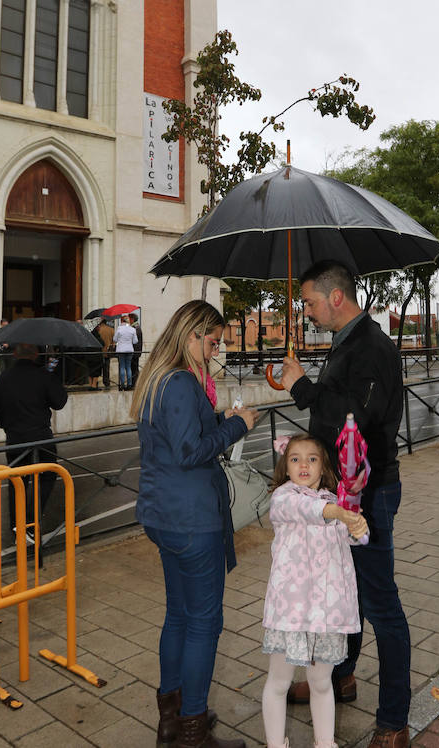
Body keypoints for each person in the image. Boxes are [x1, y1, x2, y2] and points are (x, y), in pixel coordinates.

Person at [281, 261, 411, 748]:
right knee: (347, 593)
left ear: (337, 298)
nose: (307, 311)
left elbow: (353, 419)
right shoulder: (346, 345)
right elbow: (337, 406)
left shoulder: (372, 347)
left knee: (381, 605)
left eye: (310, 301)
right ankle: (343, 675)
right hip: (345, 491)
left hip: (369, 494)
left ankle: (394, 720)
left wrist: (301, 388)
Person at [131, 300, 259, 748]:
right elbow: (190, 452)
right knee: (203, 622)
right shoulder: (182, 382)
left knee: (179, 617)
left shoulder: (157, 379)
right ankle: (192, 730)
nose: (216, 349)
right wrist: (238, 425)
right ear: (191, 336)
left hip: (163, 515)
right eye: (212, 340)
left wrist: (221, 419)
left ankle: (171, 719)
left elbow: (180, 438)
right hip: (191, 520)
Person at [262, 433, 367, 748]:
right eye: (295, 458)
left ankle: (325, 743)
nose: (303, 464)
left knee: (322, 683)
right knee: (279, 683)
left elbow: (354, 537)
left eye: (312, 458)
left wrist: (357, 525)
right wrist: (334, 512)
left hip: (327, 614)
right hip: (290, 613)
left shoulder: (335, 501)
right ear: (286, 466)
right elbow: (303, 510)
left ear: (324, 467)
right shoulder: (282, 497)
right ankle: (275, 744)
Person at [0, 342, 68, 539]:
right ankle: (31, 521)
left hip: (15, 438)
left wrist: (8, 423)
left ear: (15, 354)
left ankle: (18, 527)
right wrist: (53, 377)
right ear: (36, 355)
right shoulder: (44, 376)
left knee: (18, 482)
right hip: (41, 437)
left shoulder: (3, 378)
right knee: (48, 475)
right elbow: (59, 402)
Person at [114, 315, 139, 391]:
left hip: (121, 350)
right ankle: (129, 384)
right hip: (129, 350)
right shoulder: (132, 329)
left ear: (122, 321)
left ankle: (122, 385)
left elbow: (115, 339)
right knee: (128, 367)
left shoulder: (119, 329)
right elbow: (135, 341)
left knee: (122, 367)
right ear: (128, 321)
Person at [97, 318, 114, 389]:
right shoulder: (111, 329)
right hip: (107, 352)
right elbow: (114, 341)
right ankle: (106, 382)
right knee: (106, 368)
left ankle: (96, 382)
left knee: (97, 368)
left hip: (99, 352)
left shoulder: (98, 330)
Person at [128, 312, 143, 385]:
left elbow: (133, 339)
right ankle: (134, 382)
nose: (128, 320)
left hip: (135, 351)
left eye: (129, 319)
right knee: (134, 367)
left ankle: (135, 383)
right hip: (135, 351)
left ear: (132, 319)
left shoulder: (136, 327)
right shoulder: (134, 327)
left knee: (134, 368)